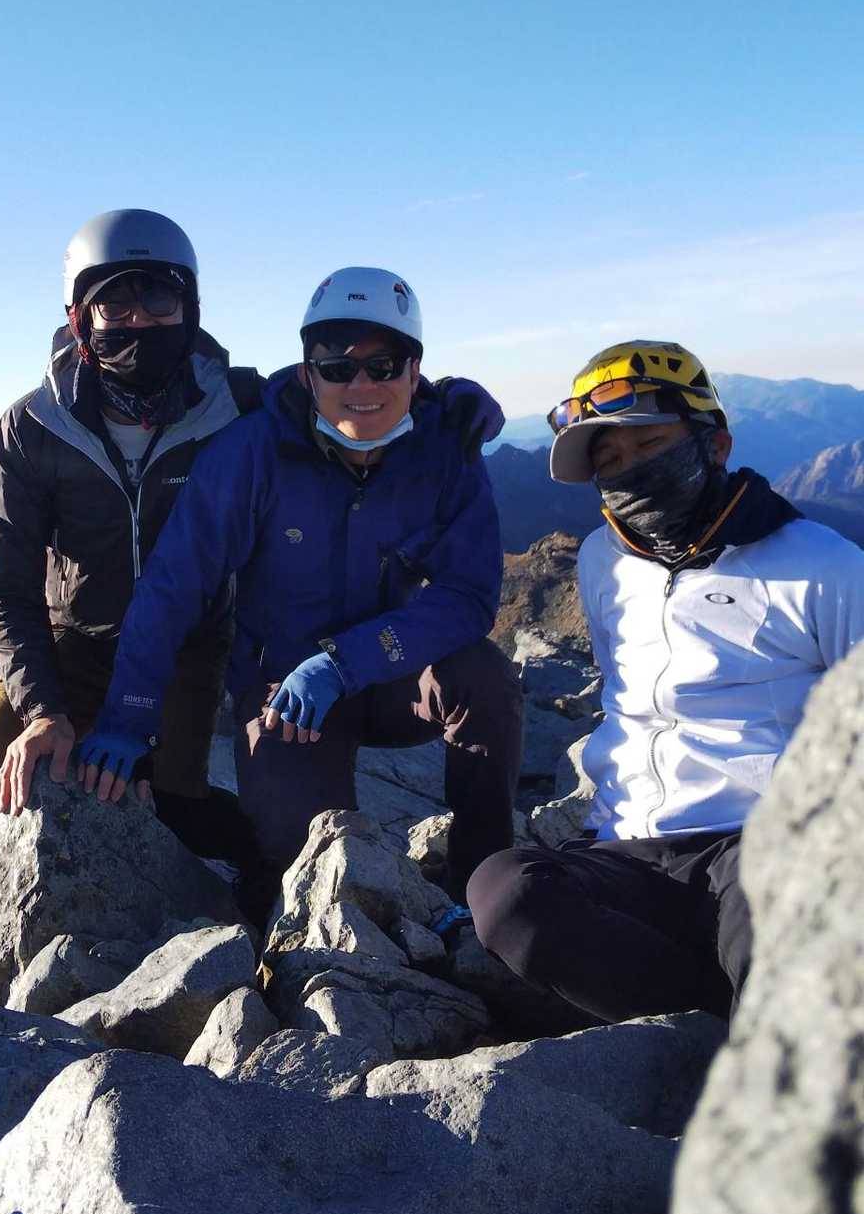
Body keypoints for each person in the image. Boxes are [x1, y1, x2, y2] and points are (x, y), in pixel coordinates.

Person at [77, 266, 520, 924]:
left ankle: (484, 888)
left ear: (415, 371)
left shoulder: (445, 450)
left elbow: (469, 594)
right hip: (285, 692)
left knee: (484, 677)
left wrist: (346, 661)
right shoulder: (253, 453)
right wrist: (127, 716)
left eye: (383, 365)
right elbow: (173, 587)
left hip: (389, 673)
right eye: (337, 368)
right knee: (299, 862)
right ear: (309, 374)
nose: (361, 386)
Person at [467, 339, 864, 1022]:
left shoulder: (822, 567)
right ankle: (726, 1015)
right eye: (609, 461)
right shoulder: (602, 561)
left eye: (649, 444)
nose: (630, 469)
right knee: (505, 895)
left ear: (715, 444)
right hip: (628, 845)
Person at [0, 207, 262, 855]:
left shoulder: (238, 409)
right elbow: (5, 589)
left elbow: (349, 395)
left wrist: (440, 405)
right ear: (79, 317)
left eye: (159, 297)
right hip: (76, 641)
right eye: (114, 303)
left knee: (172, 813)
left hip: (190, 644)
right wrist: (44, 713)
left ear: (190, 309)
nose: (138, 320)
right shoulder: (34, 429)